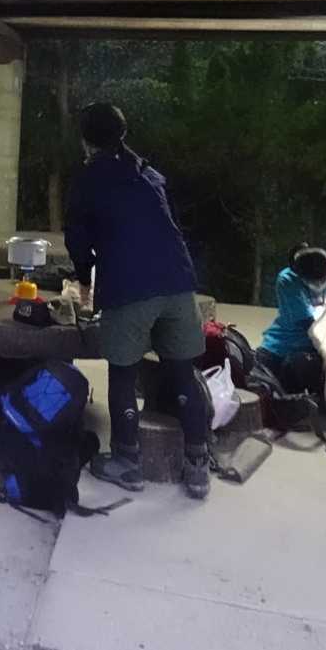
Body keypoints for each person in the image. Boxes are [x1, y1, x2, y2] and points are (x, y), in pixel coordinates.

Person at [64, 102, 210, 500]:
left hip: (129, 286)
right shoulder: (149, 173)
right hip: (178, 283)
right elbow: (170, 225)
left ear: (86, 140)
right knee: (182, 373)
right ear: (123, 134)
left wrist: (84, 281)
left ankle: (127, 461)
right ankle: (198, 465)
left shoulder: (89, 179)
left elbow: (78, 239)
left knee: (123, 374)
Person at [257, 244, 326, 396]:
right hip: (286, 342)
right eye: (312, 283)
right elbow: (309, 324)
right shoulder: (287, 279)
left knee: (301, 369)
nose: (318, 286)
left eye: (322, 280)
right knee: (261, 376)